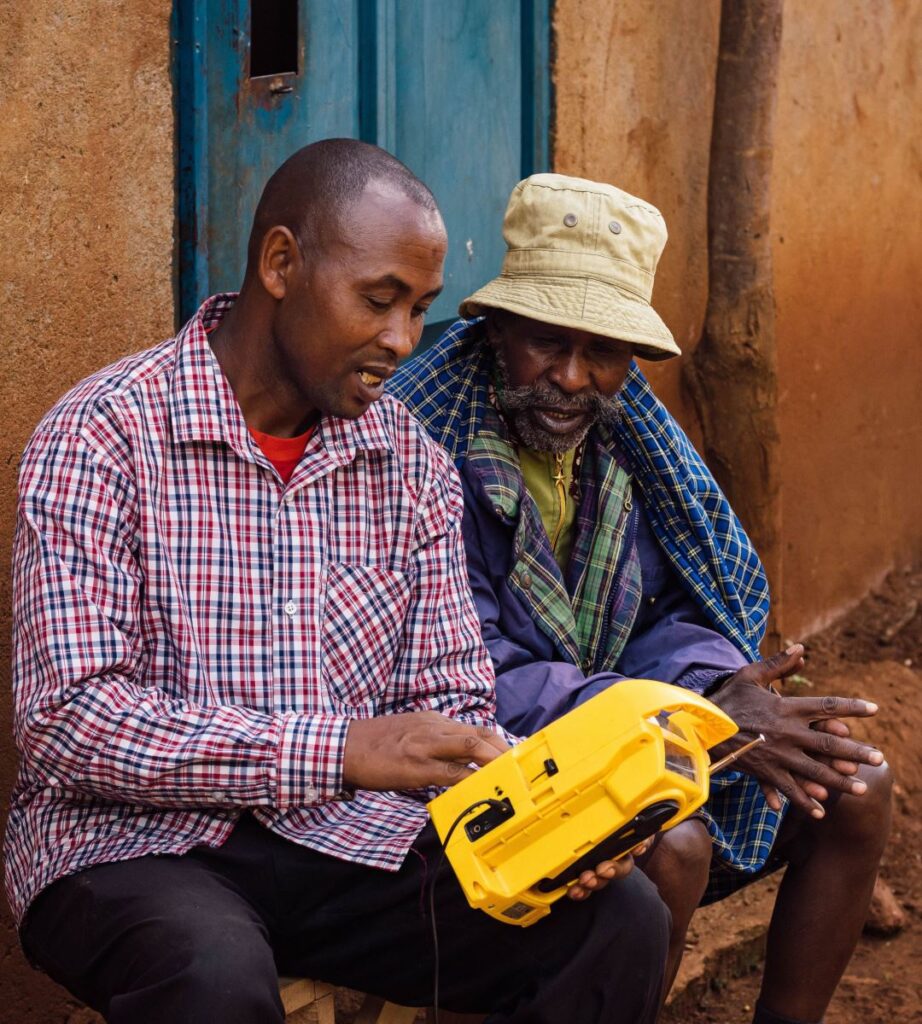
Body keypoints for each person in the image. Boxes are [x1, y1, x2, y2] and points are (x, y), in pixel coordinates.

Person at [4, 144, 670, 1024]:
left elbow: (452, 703)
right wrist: (339, 750)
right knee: (211, 976)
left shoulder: (409, 463)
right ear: (281, 264)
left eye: (420, 310)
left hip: (349, 842)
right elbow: (67, 721)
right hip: (130, 848)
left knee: (617, 920)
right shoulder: (104, 436)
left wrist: (540, 826)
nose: (401, 341)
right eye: (379, 299)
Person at [390, 172, 893, 1024]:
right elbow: (461, 672)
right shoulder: (421, 451)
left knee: (856, 782)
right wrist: (685, 714)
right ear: (496, 326)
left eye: (606, 354)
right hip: (477, 758)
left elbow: (670, 611)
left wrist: (718, 695)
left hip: (628, 726)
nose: (574, 378)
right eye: (548, 343)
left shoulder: (623, 447)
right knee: (671, 845)